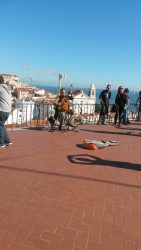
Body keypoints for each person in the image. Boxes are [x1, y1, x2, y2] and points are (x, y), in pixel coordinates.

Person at [0, 75, 12, 148]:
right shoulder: (7, 88)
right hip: (7, 111)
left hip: (2, 110)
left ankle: (1, 143)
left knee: (0, 126)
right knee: (2, 125)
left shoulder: (0, 88)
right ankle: (8, 141)